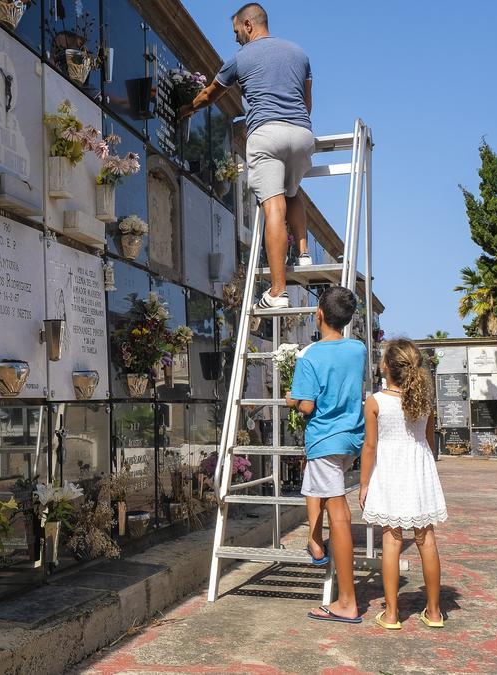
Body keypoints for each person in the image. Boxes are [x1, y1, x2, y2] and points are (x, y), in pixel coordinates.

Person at [181, 2, 315, 309]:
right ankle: (304, 253)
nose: (235, 37)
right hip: (302, 132)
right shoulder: (300, 53)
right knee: (292, 191)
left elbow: (211, 93)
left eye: (236, 31)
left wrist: (189, 107)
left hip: (266, 133)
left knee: (273, 206)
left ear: (249, 25)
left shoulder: (240, 58)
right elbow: (307, 103)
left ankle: (277, 292)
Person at [285, 287, 366, 623]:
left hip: (325, 439)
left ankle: (346, 601)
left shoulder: (310, 357)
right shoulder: (358, 349)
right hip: (351, 438)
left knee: (339, 512)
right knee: (316, 489)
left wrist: (290, 398)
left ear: (318, 315)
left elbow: (306, 405)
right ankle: (316, 543)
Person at [359, 339, 448, 630]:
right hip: (419, 468)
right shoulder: (423, 400)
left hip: (390, 470)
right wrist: (428, 467)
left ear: (387, 367)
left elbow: (369, 447)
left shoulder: (376, 401)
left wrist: (364, 484)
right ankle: (434, 612)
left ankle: (392, 614)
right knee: (427, 539)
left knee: (391, 540)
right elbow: (430, 440)